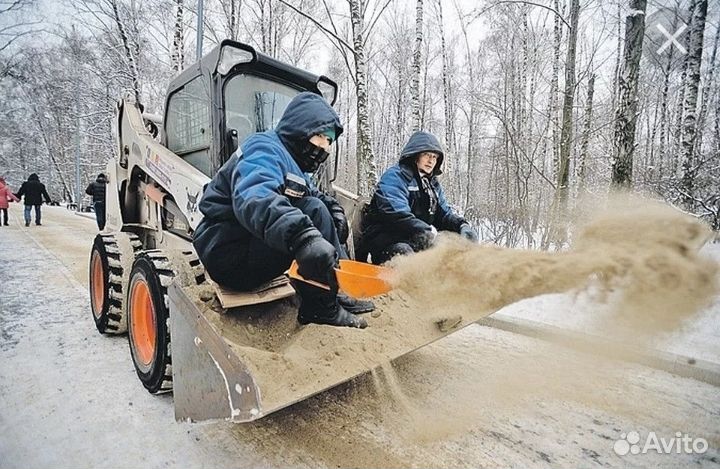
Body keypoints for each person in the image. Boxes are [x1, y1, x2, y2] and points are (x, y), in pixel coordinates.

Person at [193, 92, 373, 329]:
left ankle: (335, 291)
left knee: (319, 207)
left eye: (329, 142)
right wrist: (303, 237)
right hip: (227, 252)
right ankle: (320, 309)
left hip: (246, 247)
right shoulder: (264, 149)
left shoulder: (292, 164)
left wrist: (335, 210)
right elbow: (255, 196)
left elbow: (310, 194)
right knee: (313, 212)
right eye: (321, 137)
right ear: (302, 129)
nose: (325, 148)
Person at [361, 131, 479, 265]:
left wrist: (461, 225)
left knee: (451, 258)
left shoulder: (432, 184)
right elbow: (397, 214)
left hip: (416, 240)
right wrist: (428, 232)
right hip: (387, 240)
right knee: (406, 256)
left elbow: (443, 214)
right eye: (426, 155)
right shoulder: (396, 176)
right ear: (415, 155)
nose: (431, 161)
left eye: (434, 157)